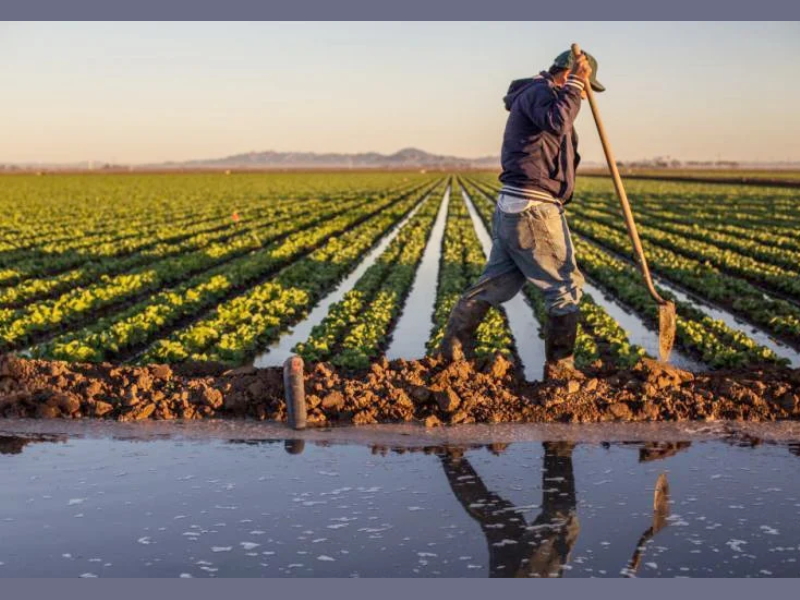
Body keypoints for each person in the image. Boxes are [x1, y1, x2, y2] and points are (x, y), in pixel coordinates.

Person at [438, 49, 604, 381]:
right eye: (585, 86)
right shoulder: (540, 93)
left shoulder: (543, 97)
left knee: (494, 284)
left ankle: (450, 354)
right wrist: (575, 84)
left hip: (516, 207)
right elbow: (558, 122)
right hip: (532, 209)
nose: (585, 95)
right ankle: (561, 371)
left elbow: (561, 140)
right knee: (564, 286)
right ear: (566, 75)